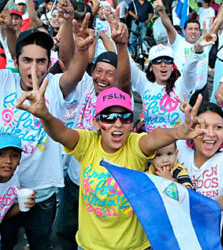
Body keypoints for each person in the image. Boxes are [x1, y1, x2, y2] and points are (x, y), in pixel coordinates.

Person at [15, 69, 208, 249]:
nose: (117, 124)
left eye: (125, 117)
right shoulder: (87, 143)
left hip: (133, 246)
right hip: (90, 246)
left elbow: (154, 138)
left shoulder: (135, 144)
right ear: (96, 123)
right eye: (109, 117)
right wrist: (45, 116)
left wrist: (179, 131)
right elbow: (61, 133)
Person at [0, 10, 94, 249]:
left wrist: (81, 51)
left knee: (41, 244)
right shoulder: (0, 82)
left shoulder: (53, 88)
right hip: (1, 191)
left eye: (41, 61)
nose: (34, 68)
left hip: (43, 194)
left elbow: (74, 74)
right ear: (16, 60)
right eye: (27, 60)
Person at [55, 10, 128, 249]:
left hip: (102, 187)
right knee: (64, 233)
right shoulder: (85, 84)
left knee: (93, 239)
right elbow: (66, 58)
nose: (103, 77)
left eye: (110, 73)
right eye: (99, 70)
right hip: (74, 179)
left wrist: (120, 45)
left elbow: (125, 81)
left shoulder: (118, 99)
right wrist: (69, 26)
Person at [130, 32, 215, 133]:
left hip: (179, 146)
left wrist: (197, 50)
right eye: (158, 61)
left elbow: (190, 69)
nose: (163, 64)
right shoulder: (144, 83)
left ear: (173, 66)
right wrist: (118, 42)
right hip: (152, 146)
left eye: (167, 60)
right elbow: (128, 63)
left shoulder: (182, 84)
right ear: (151, 67)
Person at [154, 0, 223, 99]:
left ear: (199, 31)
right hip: (181, 92)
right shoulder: (177, 41)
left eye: (196, 29)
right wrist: (161, 11)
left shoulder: (205, 41)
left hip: (201, 92)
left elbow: (218, 22)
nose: (193, 32)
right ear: (184, 31)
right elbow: (168, 26)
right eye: (190, 29)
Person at [0, 132, 36, 250]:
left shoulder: (13, 180)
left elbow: (0, 215)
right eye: (1, 154)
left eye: (15, 155)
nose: (8, 160)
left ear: (19, 160)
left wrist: (23, 205)